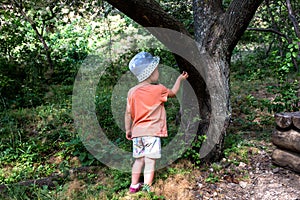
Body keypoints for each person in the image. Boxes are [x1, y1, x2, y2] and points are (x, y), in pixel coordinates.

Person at [125, 51, 189, 193]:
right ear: (151, 73)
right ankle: (147, 188)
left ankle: (133, 186)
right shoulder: (158, 90)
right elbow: (172, 92)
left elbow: (128, 113)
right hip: (152, 133)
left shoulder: (132, 92)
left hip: (137, 133)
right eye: (157, 70)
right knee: (150, 161)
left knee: (139, 160)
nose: (158, 72)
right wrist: (180, 79)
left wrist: (128, 129)